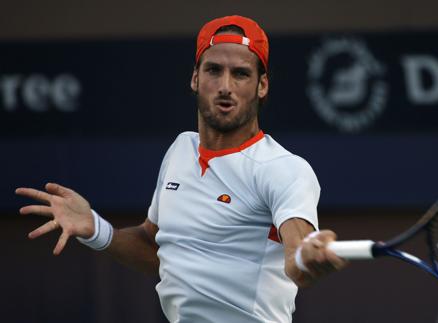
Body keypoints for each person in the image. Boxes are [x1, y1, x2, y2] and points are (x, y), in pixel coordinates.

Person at [15, 15, 347, 323]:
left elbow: (297, 257)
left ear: (262, 86)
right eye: (214, 70)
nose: (225, 85)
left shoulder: (284, 169)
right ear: (195, 77)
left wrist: (307, 257)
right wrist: (96, 229)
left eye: (241, 74)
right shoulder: (181, 151)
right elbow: (159, 248)